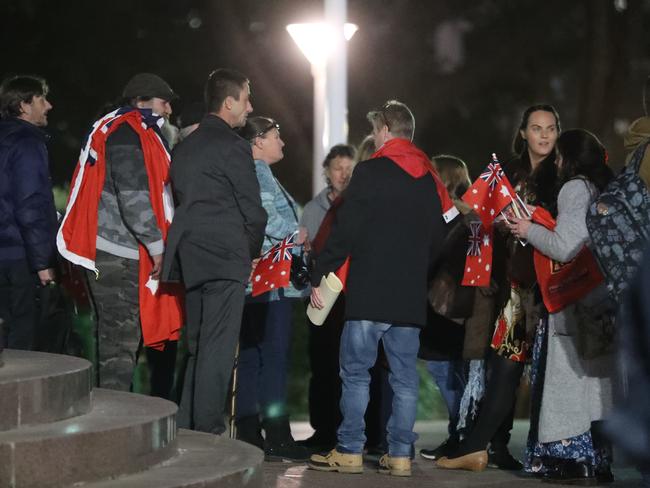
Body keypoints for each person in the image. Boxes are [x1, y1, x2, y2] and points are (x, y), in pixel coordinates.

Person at [308, 100, 453, 477]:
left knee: (356, 373)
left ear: (386, 130)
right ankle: (401, 455)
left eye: (375, 130)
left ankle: (350, 450)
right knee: (404, 378)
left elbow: (346, 230)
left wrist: (319, 271)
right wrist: (418, 268)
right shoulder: (429, 178)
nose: (373, 137)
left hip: (369, 293)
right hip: (407, 297)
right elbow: (441, 235)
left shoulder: (370, 172)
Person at [437, 104, 561, 472]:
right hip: (500, 280)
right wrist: (485, 272)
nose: (543, 135)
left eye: (550, 129)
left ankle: (487, 446)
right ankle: (490, 445)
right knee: (499, 366)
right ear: (522, 132)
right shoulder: (504, 172)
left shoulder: (560, 175)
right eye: (536, 128)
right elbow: (479, 223)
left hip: (537, 284)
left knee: (511, 366)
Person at [58, 73, 183, 391]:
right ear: (141, 102)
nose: (168, 110)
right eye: (163, 101)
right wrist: (158, 247)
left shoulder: (125, 129)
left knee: (112, 342)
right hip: (118, 254)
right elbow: (133, 197)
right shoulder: (128, 133)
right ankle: (115, 427)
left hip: (115, 251)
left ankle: (109, 420)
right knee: (120, 346)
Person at [162, 68, 267, 436]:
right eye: (246, 99)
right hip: (225, 258)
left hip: (189, 257)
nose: (249, 107)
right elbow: (253, 211)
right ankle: (207, 429)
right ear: (229, 102)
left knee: (198, 347)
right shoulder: (234, 147)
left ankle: (188, 428)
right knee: (218, 348)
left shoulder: (183, 148)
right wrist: (250, 251)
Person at [507, 129, 615, 484]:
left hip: (572, 299)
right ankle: (598, 461)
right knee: (595, 385)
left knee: (568, 383)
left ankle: (573, 460)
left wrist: (528, 230)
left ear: (570, 158)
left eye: (559, 156)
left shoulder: (575, 188)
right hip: (603, 299)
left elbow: (566, 245)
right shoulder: (607, 188)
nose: (555, 162)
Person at [233, 116, 310, 461]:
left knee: (251, 356)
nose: (283, 143)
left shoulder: (244, 172)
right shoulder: (260, 171)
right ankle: (278, 434)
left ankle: (249, 431)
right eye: (277, 136)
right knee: (274, 357)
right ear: (259, 141)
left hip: (252, 281)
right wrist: (297, 235)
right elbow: (264, 215)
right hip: (273, 279)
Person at [297, 143, 356, 452]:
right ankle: (322, 431)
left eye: (349, 168)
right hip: (319, 296)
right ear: (327, 172)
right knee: (321, 365)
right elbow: (301, 252)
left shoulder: (359, 204)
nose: (343, 174)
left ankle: (350, 433)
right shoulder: (312, 209)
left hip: (349, 296)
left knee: (349, 366)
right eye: (338, 168)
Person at [0, 75, 57, 351]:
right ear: (24, 105)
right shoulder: (27, 143)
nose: (48, 105)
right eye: (41, 99)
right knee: (23, 348)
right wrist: (42, 263)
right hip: (20, 259)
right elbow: (30, 205)